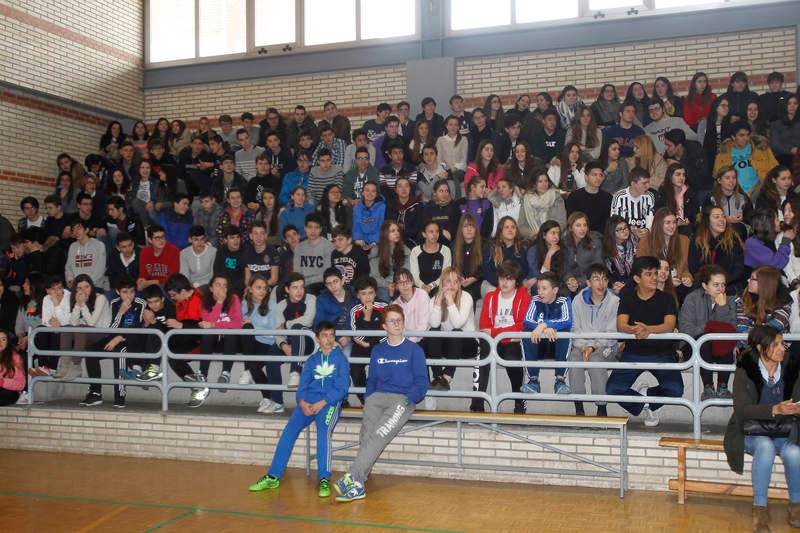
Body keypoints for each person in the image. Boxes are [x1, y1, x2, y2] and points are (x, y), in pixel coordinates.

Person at [333, 304, 428, 503]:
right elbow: (372, 379)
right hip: (377, 398)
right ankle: (358, 486)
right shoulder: (378, 350)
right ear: (384, 325)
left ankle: (352, 476)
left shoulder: (414, 350)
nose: (397, 324)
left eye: (399, 320)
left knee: (378, 434)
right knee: (366, 436)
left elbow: (421, 383)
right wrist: (369, 398)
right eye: (392, 321)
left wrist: (408, 398)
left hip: (401, 400)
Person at [248, 321, 349, 498]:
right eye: (325, 335)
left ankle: (324, 478)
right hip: (308, 403)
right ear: (317, 339)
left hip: (329, 404)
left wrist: (323, 402)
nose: (329, 339)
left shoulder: (340, 359)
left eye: (332, 335)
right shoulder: (311, 361)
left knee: (323, 432)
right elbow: (302, 386)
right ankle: (273, 476)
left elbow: (342, 388)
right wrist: (302, 402)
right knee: (288, 432)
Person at [723, 325, 800, 532]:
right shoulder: (745, 369)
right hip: (751, 430)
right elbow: (742, 410)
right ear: (760, 348)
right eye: (775, 345)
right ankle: (760, 509)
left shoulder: (792, 366)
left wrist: (795, 408)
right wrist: (774, 409)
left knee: (795, 451)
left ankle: (796, 506)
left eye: (782, 343)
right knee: (765, 447)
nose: (782, 348)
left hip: (783, 429)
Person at [606, 256, 681, 428]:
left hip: (663, 354)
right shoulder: (628, 298)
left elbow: (669, 325)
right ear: (637, 278)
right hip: (633, 353)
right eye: (649, 274)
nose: (655, 277)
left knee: (675, 390)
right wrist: (635, 330)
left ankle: (647, 396)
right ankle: (645, 404)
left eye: (656, 273)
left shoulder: (667, 298)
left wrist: (648, 330)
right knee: (612, 389)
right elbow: (621, 325)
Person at [81, 275, 145, 408]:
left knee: (120, 352)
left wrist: (120, 337)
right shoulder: (114, 303)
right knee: (91, 351)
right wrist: (121, 312)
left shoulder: (140, 303)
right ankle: (95, 392)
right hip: (114, 337)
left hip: (132, 341)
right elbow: (112, 328)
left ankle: (120, 394)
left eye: (132, 292)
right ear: (118, 292)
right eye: (125, 292)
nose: (129, 296)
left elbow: (136, 328)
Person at [568, 264, 620, 417]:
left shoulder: (614, 302)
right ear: (588, 283)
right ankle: (579, 407)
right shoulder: (577, 301)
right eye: (596, 279)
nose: (601, 283)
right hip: (581, 344)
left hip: (606, 346)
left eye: (604, 279)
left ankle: (602, 407)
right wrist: (584, 346)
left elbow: (612, 333)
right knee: (574, 358)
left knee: (596, 359)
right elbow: (574, 330)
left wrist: (593, 346)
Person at [678, 265, 737, 401]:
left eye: (723, 285)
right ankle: (708, 387)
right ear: (705, 285)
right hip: (693, 346)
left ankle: (723, 386)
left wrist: (722, 307)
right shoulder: (692, 298)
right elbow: (687, 330)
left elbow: (731, 329)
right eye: (716, 285)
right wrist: (710, 327)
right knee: (705, 341)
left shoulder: (730, 300)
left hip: (721, 347)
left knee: (724, 339)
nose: (721, 289)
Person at [520, 272, 573, 395]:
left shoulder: (564, 300)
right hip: (538, 345)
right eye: (538, 288)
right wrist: (543, 329)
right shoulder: (535, 299)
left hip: (556, 346)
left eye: (544, 288)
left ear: (555, 290)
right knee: (527, 332)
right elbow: (527, 321)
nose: (540, 292)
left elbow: (567, 321)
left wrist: (544, 324)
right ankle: (533, 381)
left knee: (565, 333)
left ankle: (560, 380)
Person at [239, 273, 284, 414]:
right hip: (251, 343)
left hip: (268, 343)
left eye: (264, 288)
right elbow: (241, 325)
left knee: (253, 365)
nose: (262, 291)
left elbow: (272, 333)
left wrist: (254, 327)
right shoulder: (244, 304)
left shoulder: (272, 305)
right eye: (258, 287)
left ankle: (249, 371)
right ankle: (267, 398)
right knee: (245, 330)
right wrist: (250, 327)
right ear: (250, 289)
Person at [427, 267, 476, 392]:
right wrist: (438, 303)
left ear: (460, 284)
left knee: (457, 333)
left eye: (456, 281)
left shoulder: (466, 297)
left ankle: (447, 377)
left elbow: (458, 324)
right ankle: (438, 376)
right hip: (449, 344)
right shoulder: (435, 299)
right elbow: (434, 323)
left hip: (467, 344)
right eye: (448, 281)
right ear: (442, 283)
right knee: (433, 333)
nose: (453, 285)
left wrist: (449, 301)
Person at [347, 276, 386, 407]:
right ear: (358, 295)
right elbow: (356, 333)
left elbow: (387, 332)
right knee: (355, 368)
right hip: (361, 346)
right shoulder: (354, 310)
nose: (368, 297)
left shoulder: (384, 307)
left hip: (379, 346)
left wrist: (370, 344)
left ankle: (379, 399)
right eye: (363, 294)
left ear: (375, 293)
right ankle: (365, 400)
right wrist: (367, 317)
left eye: (370, 293)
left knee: (381, 368)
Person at [198, 274, 242, 389]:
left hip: (229, 343)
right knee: (207, 335)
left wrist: (214, 325)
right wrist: (219, 303)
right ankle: (202, 373)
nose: (222, 289)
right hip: (212, 343)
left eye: (224, 286)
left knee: (230, 333)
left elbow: (237, 324)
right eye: (218, 285)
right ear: (211, 288)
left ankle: (225, 373)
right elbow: (208, 324)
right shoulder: (204, 301)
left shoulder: (234, 299)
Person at [713, 121, 779, 196]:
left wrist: (751, 192)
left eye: (747, 135)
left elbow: (775, 170)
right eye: (741, 135)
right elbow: (718, 177)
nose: (746, 138)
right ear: (733, 137)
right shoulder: (723, 154)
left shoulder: (761, 149)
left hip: (760, 190)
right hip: (733, 193)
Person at [518, 170, 567, 240]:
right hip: (533, 240)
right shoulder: (526, 199)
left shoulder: (556, 197)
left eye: (546, 181)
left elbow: (562, 222)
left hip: (554, 239)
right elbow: (521, 225)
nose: (544, 184)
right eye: (540, 181)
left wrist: (549, 235)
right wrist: (534, 236)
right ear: (534, 184)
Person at [610, 167, 656, 240]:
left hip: (643, 238)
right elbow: (614, 221)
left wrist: (647, 230)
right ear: (633, 184)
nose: (648, 186)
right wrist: (629, 229)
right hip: (624, 237)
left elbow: (650, 217)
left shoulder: (650, 196)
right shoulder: (619, 196)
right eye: (644, 183)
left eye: (648, 182)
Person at [603, 216, 637, 295]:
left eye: (626, 228)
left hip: (634, 282)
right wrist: (614, 283)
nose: (624, 231)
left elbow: (638, 269)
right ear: (612, 232)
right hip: (614, 285)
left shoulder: (635, 243)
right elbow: (606, 272)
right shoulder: (606, 248)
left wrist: (626, 284)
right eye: (620, 229)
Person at [0, 329, 25, 406]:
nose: (0, 342)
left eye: (3, 339)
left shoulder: (15, 358)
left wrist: (2, 382)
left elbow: (21, 384)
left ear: (7, 342)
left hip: (9, 392)